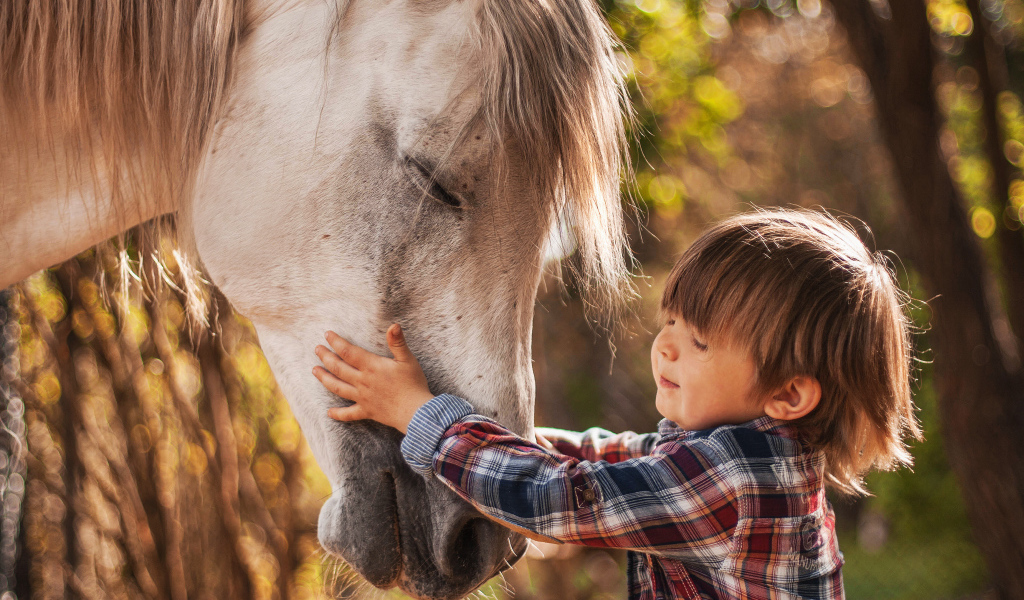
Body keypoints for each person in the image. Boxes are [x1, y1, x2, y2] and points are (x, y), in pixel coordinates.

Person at [312, 208, 921, 599]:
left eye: (699, 340)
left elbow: (561, 498)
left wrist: (423, 419)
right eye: (672, 320)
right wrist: (516, 435)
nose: (665, 347)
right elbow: (620, 459)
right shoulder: (752, 457)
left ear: (789, 393)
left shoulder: (733, 479)